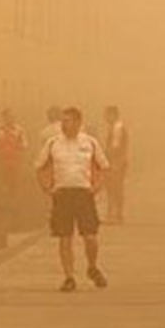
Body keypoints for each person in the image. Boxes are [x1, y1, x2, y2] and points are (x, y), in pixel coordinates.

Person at [35, 106, 110, 292]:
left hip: (83, 193)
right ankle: (69, 276)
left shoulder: (90, 142)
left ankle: (92, 267)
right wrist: (46, 187)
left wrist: (97, 186)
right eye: (62, 121)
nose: (64, 125)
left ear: (78, 122)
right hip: (62, 194)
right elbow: (39, 166)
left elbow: (103, 166)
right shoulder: (53, 143)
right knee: (65, 237)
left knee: (90, 236)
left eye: (67, 121)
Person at [0, 108, 29, 195]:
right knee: (2, 176)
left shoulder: (19, 130)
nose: (9, 119)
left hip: (15, 158)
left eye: (11, 117)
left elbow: (25, 144)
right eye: (7, 117)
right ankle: (2, 193)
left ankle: (14, 193)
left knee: (14, 177)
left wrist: (16, 148)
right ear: (3, 118)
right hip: (1, 158)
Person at [102, 105, 129, 223]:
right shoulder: (115, 127)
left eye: (107, 115)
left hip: (115, 162)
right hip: (118, 161)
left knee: (114, 188)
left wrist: (107, 159)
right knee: (115, 188)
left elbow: (115, 147)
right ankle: (116, 214)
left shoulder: (117, 128)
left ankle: (114, 215)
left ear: (113, 114)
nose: (106, 118)